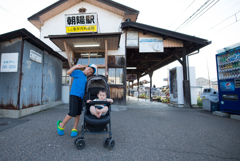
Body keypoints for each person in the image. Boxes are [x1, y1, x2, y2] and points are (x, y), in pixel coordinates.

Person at [57, 64, 97, 137]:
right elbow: (68, 73)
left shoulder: (86, 78)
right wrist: (75, 67)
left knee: (78, 113)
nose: (89, 72)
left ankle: (74, 128)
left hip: (81, 97)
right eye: (89, 69)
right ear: (86, 67)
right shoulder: (78, 72)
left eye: (91, 72)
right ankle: (61, 125)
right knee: (72, 112)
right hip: (74, 95)